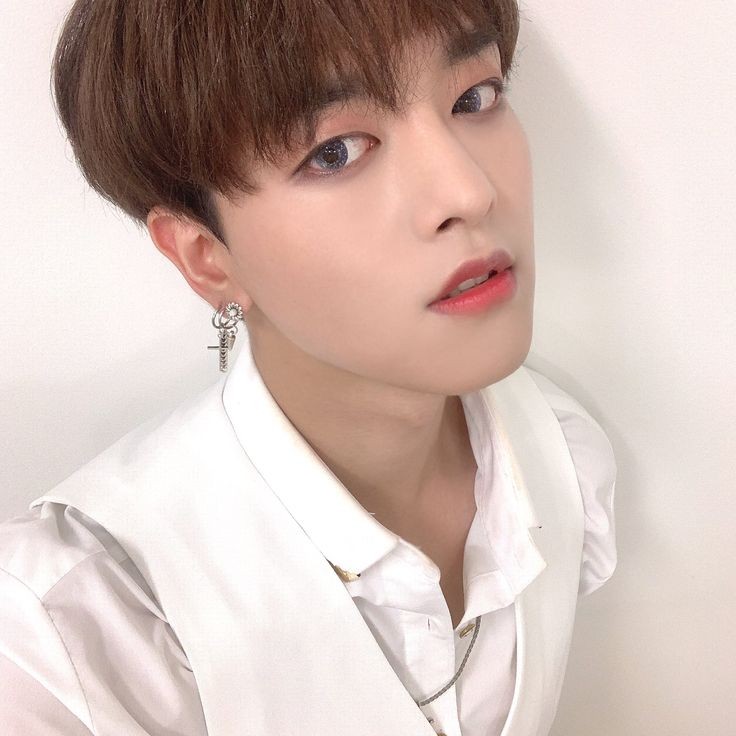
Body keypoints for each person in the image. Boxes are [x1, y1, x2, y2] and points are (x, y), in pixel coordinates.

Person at [0, 1, 617, 735]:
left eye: (473, 98)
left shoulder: (560, 457)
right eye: (336, 152)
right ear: (207, 256)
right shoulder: (73, 630)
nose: (469, 191)